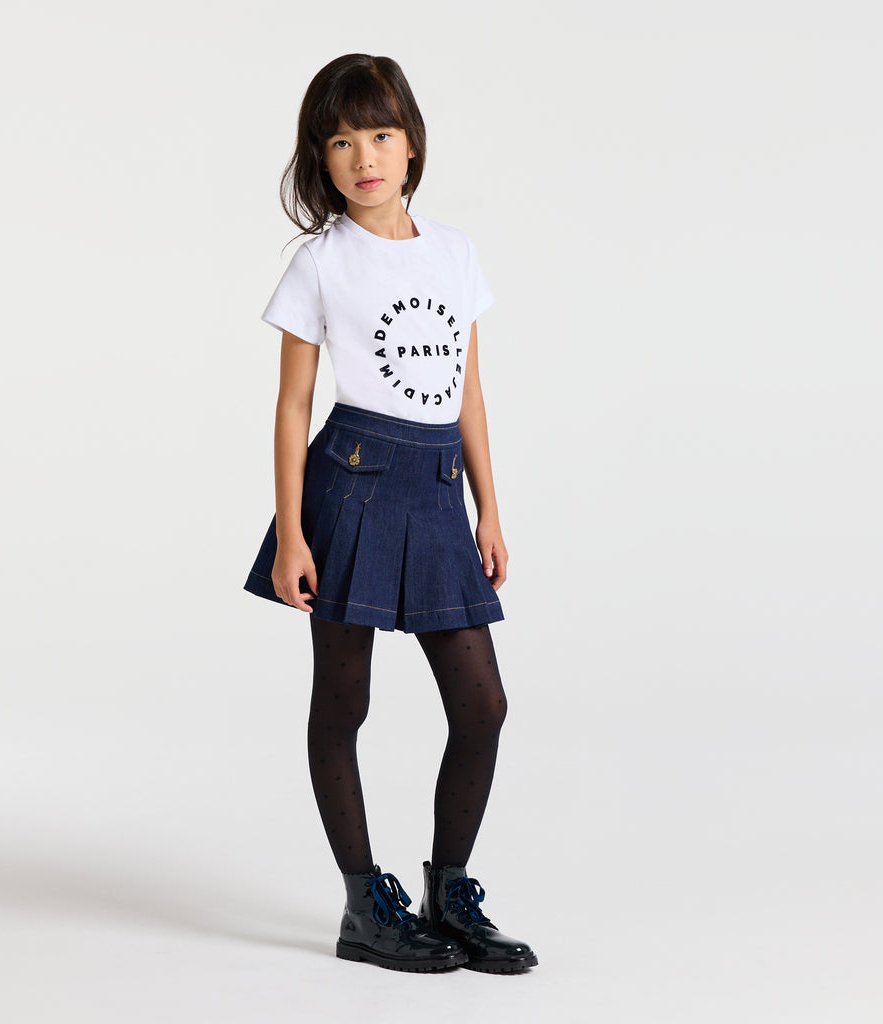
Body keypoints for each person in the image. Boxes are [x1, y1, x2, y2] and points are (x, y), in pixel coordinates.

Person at [243, 53, 537, 974]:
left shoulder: (455, 252)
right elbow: (293, 406)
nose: (363, 156)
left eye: (379, 134)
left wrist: (489, 509)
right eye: (340, 141)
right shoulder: (321, 262)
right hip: (351, 486)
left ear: (411, 143)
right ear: (320, 159)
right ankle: (365, 905)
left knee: (482, 703)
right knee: (345, 698)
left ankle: (449, 891)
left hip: (438, 489)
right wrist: (292, 532)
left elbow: (468, 390)